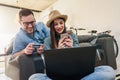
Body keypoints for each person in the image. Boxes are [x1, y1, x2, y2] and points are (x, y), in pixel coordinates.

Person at [29, 10, 115, 80]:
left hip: (76, 71)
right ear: (52, 27)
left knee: (109, 71)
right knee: (33, 78)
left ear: (64, 23)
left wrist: (72, 48)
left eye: (61, 23)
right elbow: (48, 65)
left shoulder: (72, 35)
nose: (59, 26)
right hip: (59, 74)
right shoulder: (47, 41)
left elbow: (79, 58)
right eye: (55, 24)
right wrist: (58, 50)